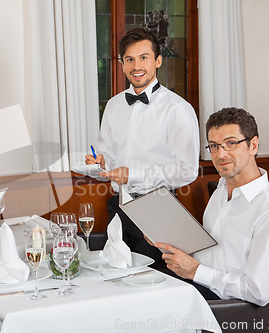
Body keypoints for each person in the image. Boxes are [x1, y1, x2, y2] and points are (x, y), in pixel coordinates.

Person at [155, 107, 269, 306]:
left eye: (231, 143)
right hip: (197, 286)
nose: (221, 154)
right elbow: (211, 254)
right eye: (214, 146)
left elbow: (258, 290)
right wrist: (166, 238)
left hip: (226, 307)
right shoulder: (221, 190)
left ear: (253, 145)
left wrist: (196, 271)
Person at [85, 27, 199, 267]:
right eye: (130, 59)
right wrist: (102, 162)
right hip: (118, 205)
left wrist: (133, 174)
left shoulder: (177, 109)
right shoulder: (114, 106)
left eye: (143, 57)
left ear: (158, 61)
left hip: (157, 209)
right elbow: (107, 153)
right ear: (122, 64)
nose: (136, 66)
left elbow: (187, 170)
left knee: (155, 280)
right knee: (114, 275)